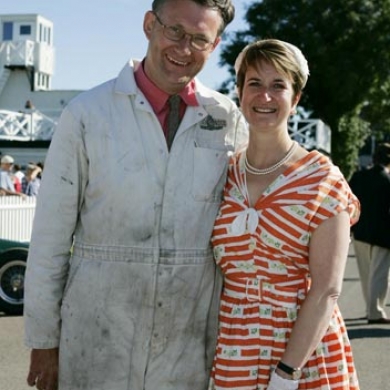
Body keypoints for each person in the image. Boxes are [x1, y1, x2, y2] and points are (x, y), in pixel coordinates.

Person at [23, 1, 247, 390]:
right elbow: (49, 240)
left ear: (216, 45)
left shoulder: (229, 122)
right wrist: (44, 341)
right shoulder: (86, 114)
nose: (183, 48)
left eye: (199, 39)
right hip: (96, 340)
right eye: (174, 31)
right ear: (149, 24)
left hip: (192, 347)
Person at [208, 39, 360, 390]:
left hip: (305, 355)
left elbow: (326, 290)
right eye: (255, 84)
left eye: (278, 86)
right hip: (235, 350)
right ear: (240, 92)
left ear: (295, 99)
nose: (265, 97)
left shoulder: (321, 178)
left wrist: (286, 374)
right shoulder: (224, 175)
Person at [349, 143, 390, 324]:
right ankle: (376, 311)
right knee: (379, 274)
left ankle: (369, 308)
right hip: (383, 234)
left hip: (360, 231)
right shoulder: (387, 180)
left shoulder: (359, 177)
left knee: (365, 273)